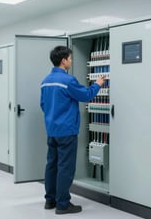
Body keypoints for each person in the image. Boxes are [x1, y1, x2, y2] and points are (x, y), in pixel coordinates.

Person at [40, 46, 106, 214]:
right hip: (67, 131)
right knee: (65, 168)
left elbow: (43, 105)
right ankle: (63, 204)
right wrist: (97, 84)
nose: (71, 61)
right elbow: (86, 96)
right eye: (70, 58)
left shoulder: (46, 80)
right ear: (63, 60)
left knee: (52, 165)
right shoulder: (68, 81)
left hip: (52, 130)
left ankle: (50, 200)